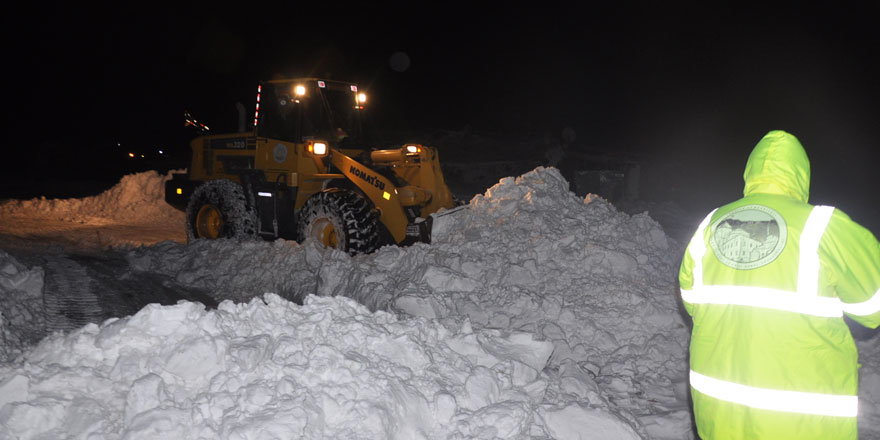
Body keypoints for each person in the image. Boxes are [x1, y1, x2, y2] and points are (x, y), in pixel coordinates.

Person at [679, 130, 880, 439]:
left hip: (721, 415)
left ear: (750, 173)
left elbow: (693, 302)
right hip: (802, 424)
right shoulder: (821, 226)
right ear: (801, 175)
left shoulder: (709, 224)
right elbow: (873, 307)